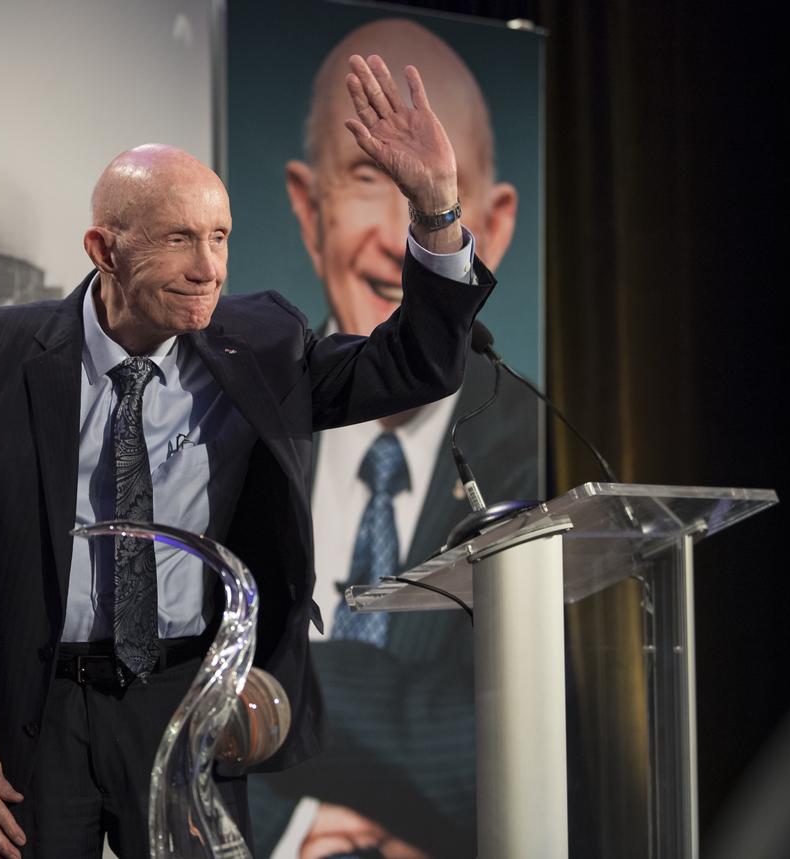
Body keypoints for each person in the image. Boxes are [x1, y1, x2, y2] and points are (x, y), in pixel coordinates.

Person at [0, 55, 496, 859]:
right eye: (181, 239)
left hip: (188, 705)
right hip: (33, 711)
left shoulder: (260, 344)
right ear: (103, 248)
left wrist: (435, 206)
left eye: (220, 236)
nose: (210, 267)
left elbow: (418, 364)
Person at [248, 20, 540, 858]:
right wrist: (291, 827)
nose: (392, 238)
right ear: (309, 209)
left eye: (433, 191)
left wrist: (279, 680)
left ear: (497, 219)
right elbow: (168, 692)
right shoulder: (247, 416)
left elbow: (508, 742)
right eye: (370, 177)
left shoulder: (542, 451)